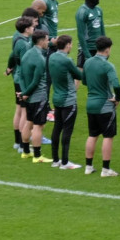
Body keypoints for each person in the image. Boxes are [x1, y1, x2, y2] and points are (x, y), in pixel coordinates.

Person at [82, 36, 120, 177]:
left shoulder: (87, 62)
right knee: (108, 136)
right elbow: (116, 84)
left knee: (92, 135)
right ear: (108, 49)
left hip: (90, 104)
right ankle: (105, 169)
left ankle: (88, 166)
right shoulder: (108, 65)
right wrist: (117, 97)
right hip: (104, 105)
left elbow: (84, 81)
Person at [48, 34, 83, 169]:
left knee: (57, 128)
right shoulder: (67, 60)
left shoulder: (52, 57)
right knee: (67, 131)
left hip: (56, 98)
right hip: (68, 100)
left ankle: (55, 160)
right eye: (71, 44)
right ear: (67, 45)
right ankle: (65, 162)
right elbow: (79, 75)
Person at [18, 29, 53, 163]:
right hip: (38, 96)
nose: (48, 42)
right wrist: (26, 93)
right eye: (47, 39)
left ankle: (26, 152)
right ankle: (37, 156)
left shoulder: (27, 54)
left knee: (29, 122)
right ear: (42, 40)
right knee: (39, 125)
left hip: (28, 95)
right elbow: (37, 80)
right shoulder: (39, 58)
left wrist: (23, 92)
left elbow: (21, 75)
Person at [6, 14, 36, 154]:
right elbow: (25, 64)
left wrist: (9, 67)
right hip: (22, 80)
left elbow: (12, 55)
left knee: (19, 109)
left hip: (17, 78)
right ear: (26, 29)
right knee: (24, 111)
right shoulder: (24, 44)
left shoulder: (18, 38)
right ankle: (24, 145)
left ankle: (17, 142)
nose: (34, 27)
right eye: (31, 26)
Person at [40, 0, 61, 122]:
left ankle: (46, 106)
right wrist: (47, 40)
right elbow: (39, 23)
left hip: (53, 43)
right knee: (46, 79)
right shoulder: (44, 1)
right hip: (48, 45)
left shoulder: (54, 1)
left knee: (50, 78)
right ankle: (44, 108)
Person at [75, 0, 106, 74]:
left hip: (98, 47)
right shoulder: (82, 12)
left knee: (100, 71)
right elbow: (80, 34)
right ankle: (73, 88)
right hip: (86, 47)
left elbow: (102, 29)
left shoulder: (99, 10)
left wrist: (105, 45)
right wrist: (86, 52)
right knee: (80, 72)